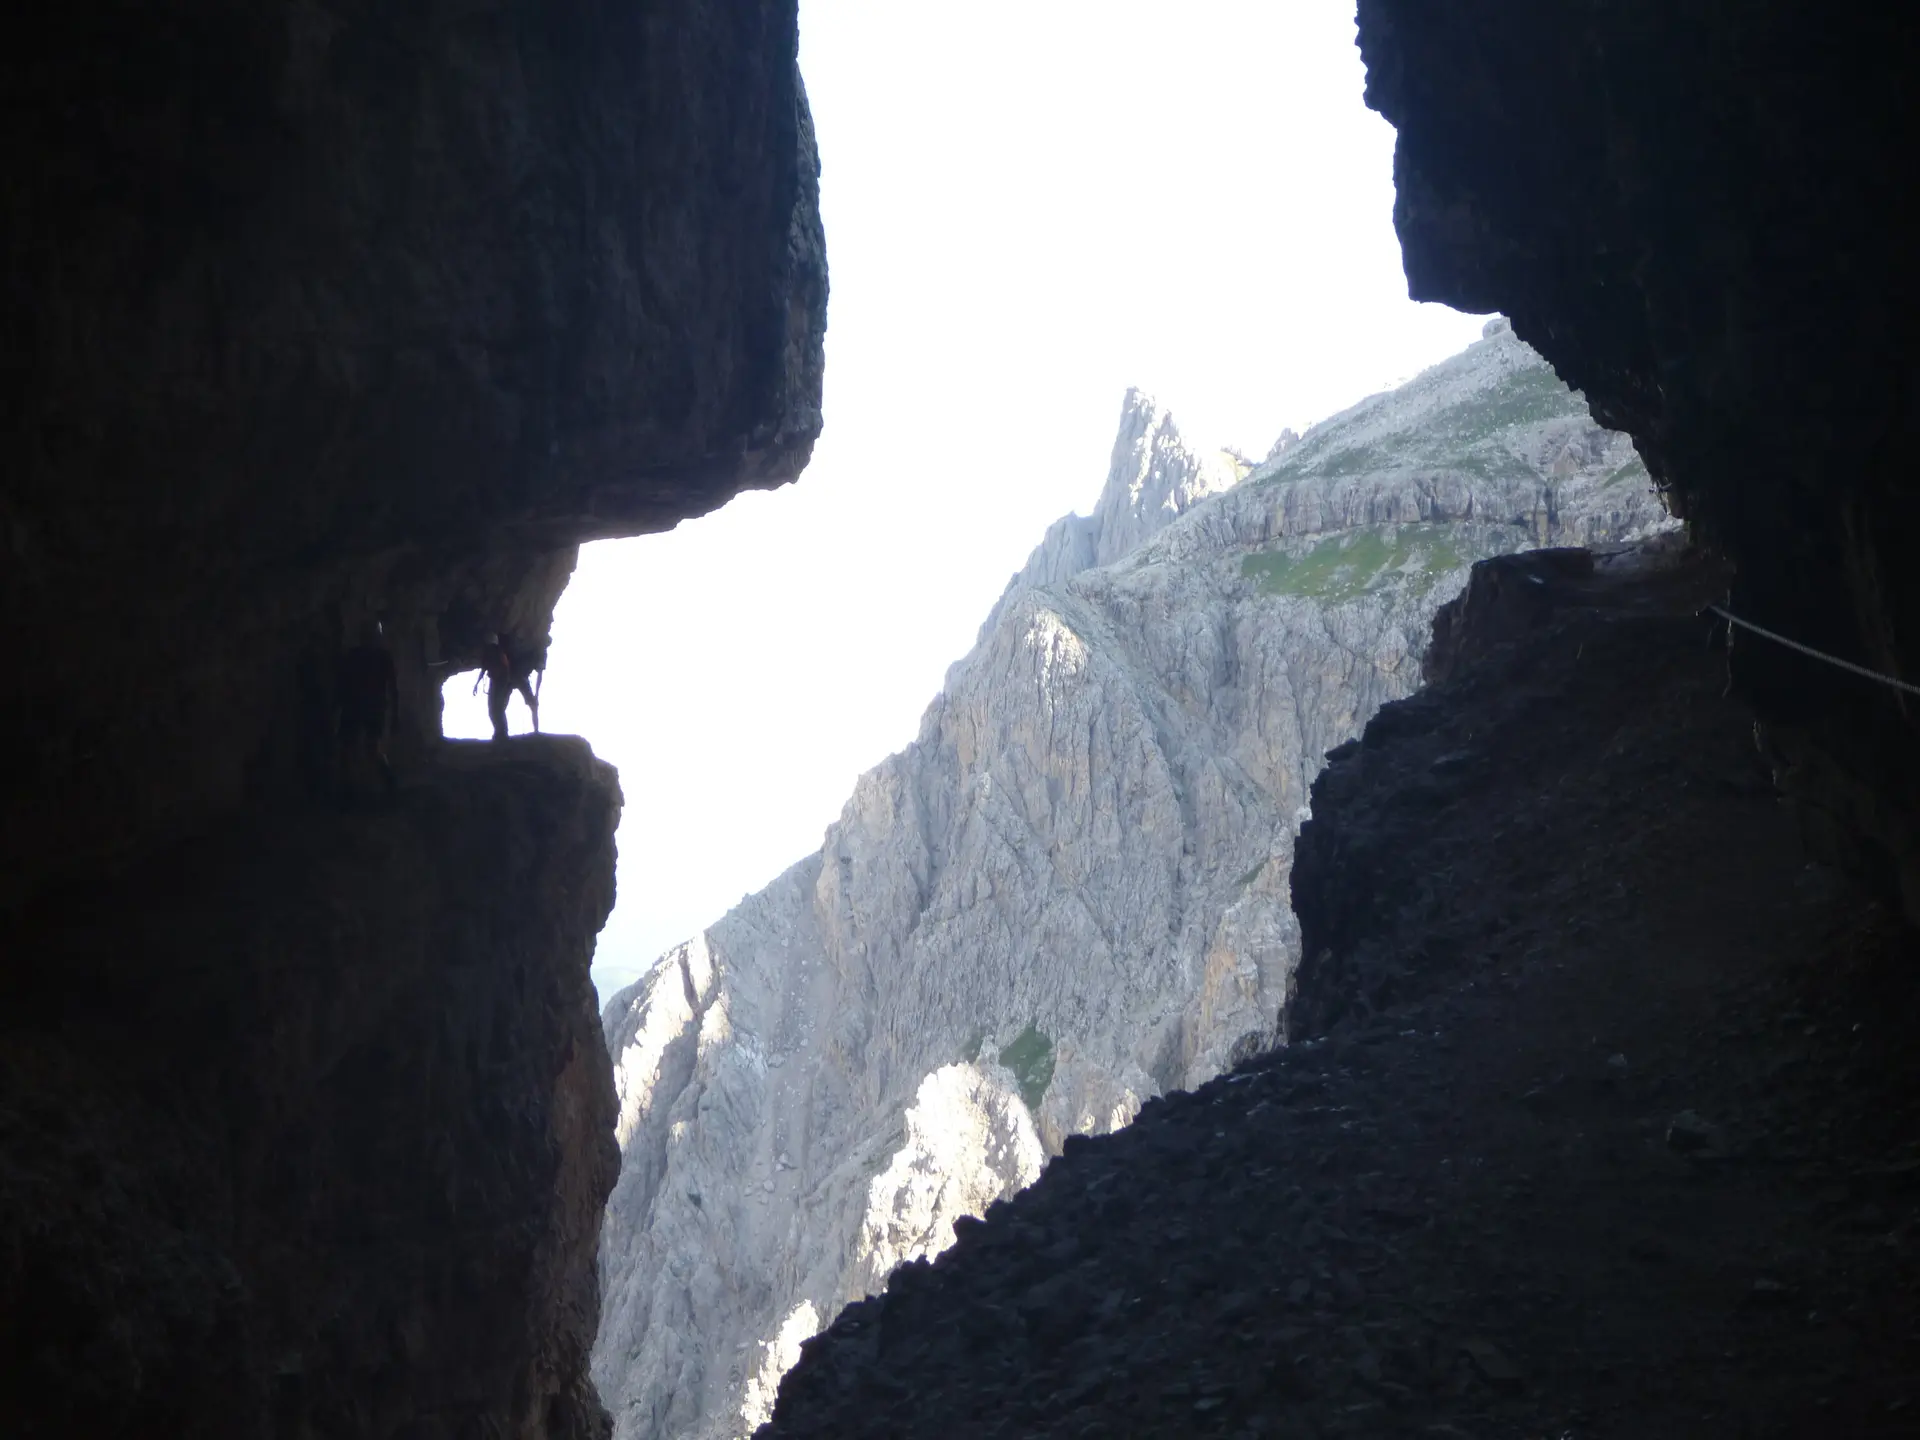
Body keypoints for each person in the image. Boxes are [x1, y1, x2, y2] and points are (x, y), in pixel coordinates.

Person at [337, 620, 399, 795]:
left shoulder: (355, 655)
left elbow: (343, 683)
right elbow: (393, 689)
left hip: (359, 706)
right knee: (361, 749)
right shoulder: (380, 657)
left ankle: (350, 790)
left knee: (355, 748)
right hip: (368, 706)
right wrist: (395, 714)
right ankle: (385, 786)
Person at [476, 631, 541, 741]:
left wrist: (505, 680)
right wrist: (477, 683)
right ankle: (501, 733)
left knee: (497, 708)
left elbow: (502, 666)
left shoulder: (498, 652)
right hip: (500, 680)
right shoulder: (493, 652)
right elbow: (485, 667)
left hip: (502, 680)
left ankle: (502, 733)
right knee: (496, 708)